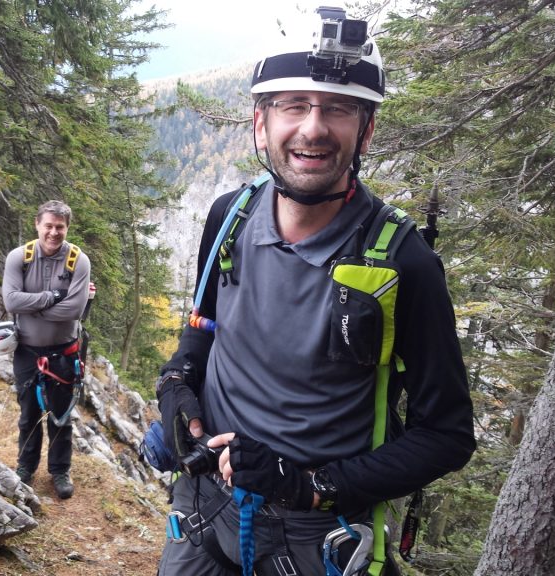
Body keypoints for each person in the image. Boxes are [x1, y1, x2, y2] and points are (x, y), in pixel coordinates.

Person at [155, 7, 475, 575]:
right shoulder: (229, 217)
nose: (313, 126)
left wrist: (312, 486)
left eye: (339, 108)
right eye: (293, 105)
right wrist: (179, 381)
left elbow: (446, 435)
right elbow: (203, 326)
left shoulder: (404, 262)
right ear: (261, 122)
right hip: (203, 507)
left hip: (312, 537)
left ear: (366, 129)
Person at [2, 200, 91, 500]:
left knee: (61, 415)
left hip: (64, 352)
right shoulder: (20, 257)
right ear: (37, 224)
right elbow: (11, 302)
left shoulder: (78, 261)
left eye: (60, 227)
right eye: (49, 226)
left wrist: (35, 307)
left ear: (67, 228)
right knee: (28, 413)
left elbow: (75, 309)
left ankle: (60, 471)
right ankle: (25, 468)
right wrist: (52, 298)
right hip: (27, 352)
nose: (54, 233)